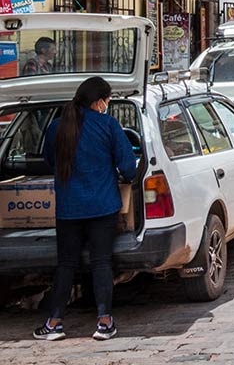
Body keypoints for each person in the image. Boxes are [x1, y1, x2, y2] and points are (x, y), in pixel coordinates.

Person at [35, 77, 138, 342]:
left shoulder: (57, 126)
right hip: (103, 207)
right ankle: (104, 322)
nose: (108, 104)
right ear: (99, 101)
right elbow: (128, 167)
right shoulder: (108, 125)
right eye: (108, 99)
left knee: (66, 264)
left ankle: (54, 322)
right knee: (101, 262)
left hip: (68, 208)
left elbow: (49, 160)